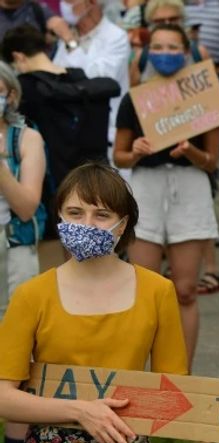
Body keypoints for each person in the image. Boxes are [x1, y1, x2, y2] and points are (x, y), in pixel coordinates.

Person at [0, 162, 188, 443]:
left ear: (122, 225)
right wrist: (79, 411)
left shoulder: (158, 291)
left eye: (101, 215)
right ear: (60, 216)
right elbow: (3, 395)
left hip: (125, 441)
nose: (86, 224)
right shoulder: (32, 295)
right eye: (75, 213)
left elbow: (174, 387)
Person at [113, 23, 219, 368]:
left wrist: (190, 151)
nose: (165, 54)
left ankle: (180, 376)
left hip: (189, 188)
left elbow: (212, 162)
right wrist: (138, 152)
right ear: (147, 53)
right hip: (146, 187)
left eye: (173, 47)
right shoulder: (136, 98)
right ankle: (141, 373)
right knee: (145, 290)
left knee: (185, 289)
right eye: (157, 47)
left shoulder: (204, 96)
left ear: (186, 51)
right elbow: (120, 156)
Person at [2, 24, 120, 271]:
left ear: (17, 57)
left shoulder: (27, 90)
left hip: (52, 192)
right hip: (96, 183)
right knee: (98, 273)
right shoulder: (81, 80)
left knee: (62, 282)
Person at [0, 61, 45, 443]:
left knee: (17, 352)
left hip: (13, 250)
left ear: (10, 95)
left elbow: (28, 206)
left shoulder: (25, 139)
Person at [52, 0, 130, 159]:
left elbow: (98, 81)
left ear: (92, 3)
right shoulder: (66, 38)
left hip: (105, 137)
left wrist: (70, 41)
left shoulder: (117, 37)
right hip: (68, 136)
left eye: (70, 0)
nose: (64, 5)